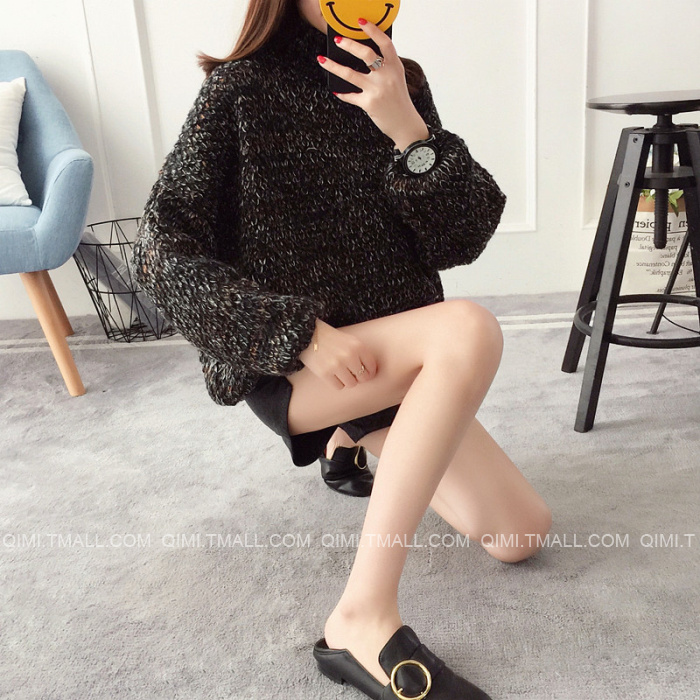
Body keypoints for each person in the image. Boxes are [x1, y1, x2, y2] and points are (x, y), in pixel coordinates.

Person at [131, 0, 553, 697]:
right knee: (468, 329)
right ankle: (360, 617)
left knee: (521, 535)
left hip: (392, 360)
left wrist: (409, 131)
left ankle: (346, 440)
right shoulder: (239, 90)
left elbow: (461, 240)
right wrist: (293, 333)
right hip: (296, 362)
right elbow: (158, 251)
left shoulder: (401, 82)